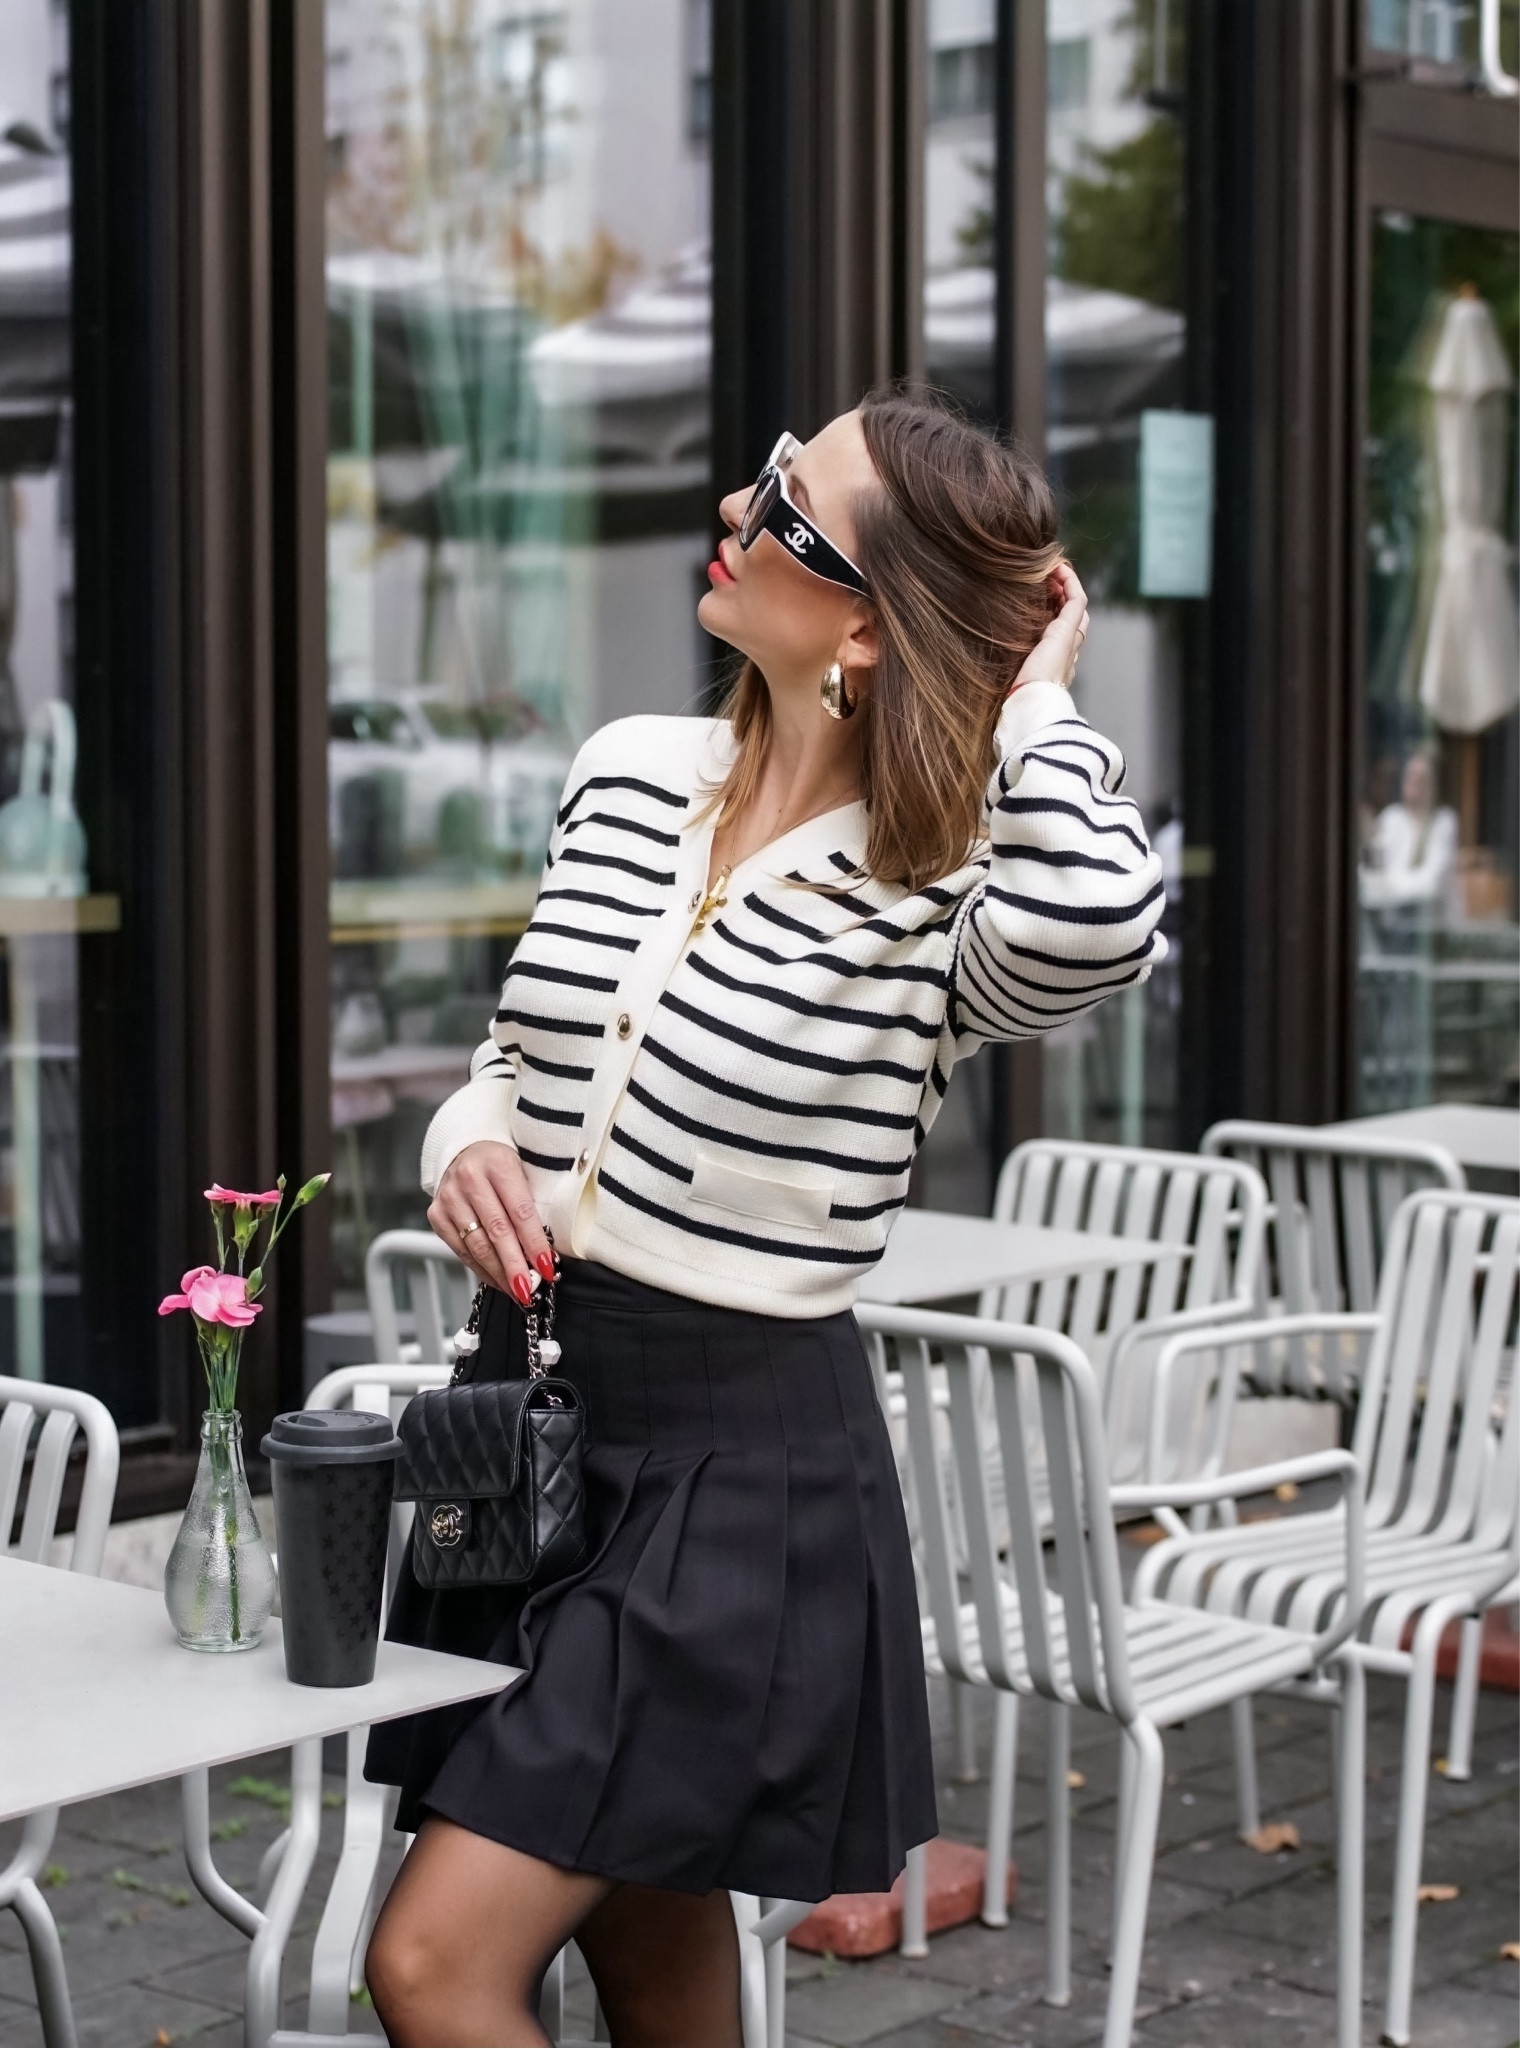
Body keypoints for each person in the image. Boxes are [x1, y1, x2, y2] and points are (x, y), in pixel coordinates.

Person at [363, 388, 1168, 2047]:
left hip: (742, 1463)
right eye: (772, 464)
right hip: (526, 1413)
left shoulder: (944, 890)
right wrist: (461, 1137)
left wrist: (1035, 700)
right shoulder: (629, 773)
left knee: (435, 1963)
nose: (737, 501)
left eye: (790, 505)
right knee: (647, 1955)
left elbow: (1103, 920)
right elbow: (517, 1056)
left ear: (868, 628)